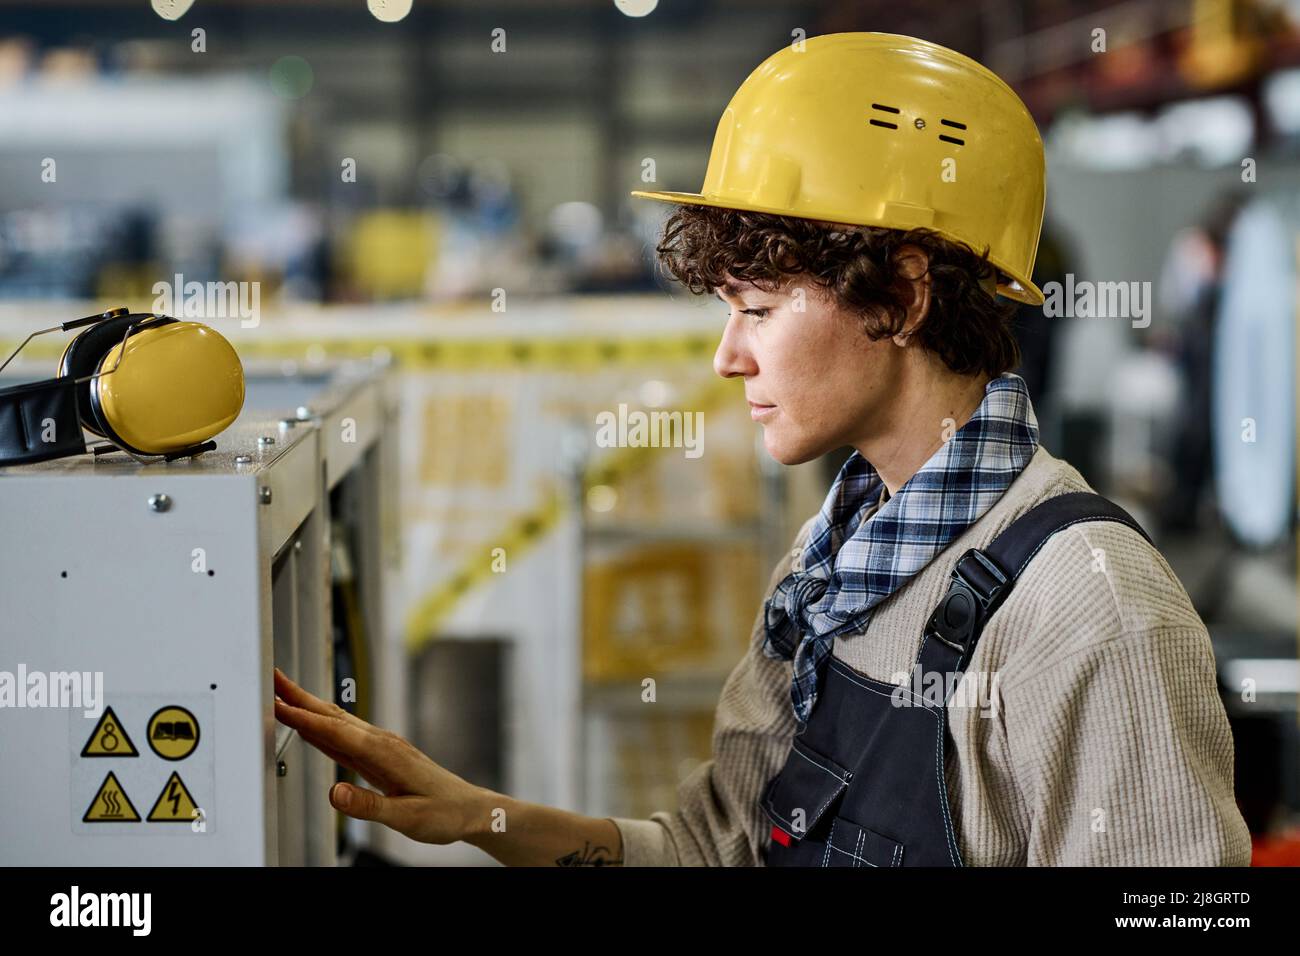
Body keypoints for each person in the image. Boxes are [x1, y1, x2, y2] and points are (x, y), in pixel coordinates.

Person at [275, 32, 1250, 866]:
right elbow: (714, 847)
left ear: (903, 295)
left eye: (759, 308)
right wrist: (481, 816)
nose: (726, 354)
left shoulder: (1086, 609)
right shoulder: (836, 561)